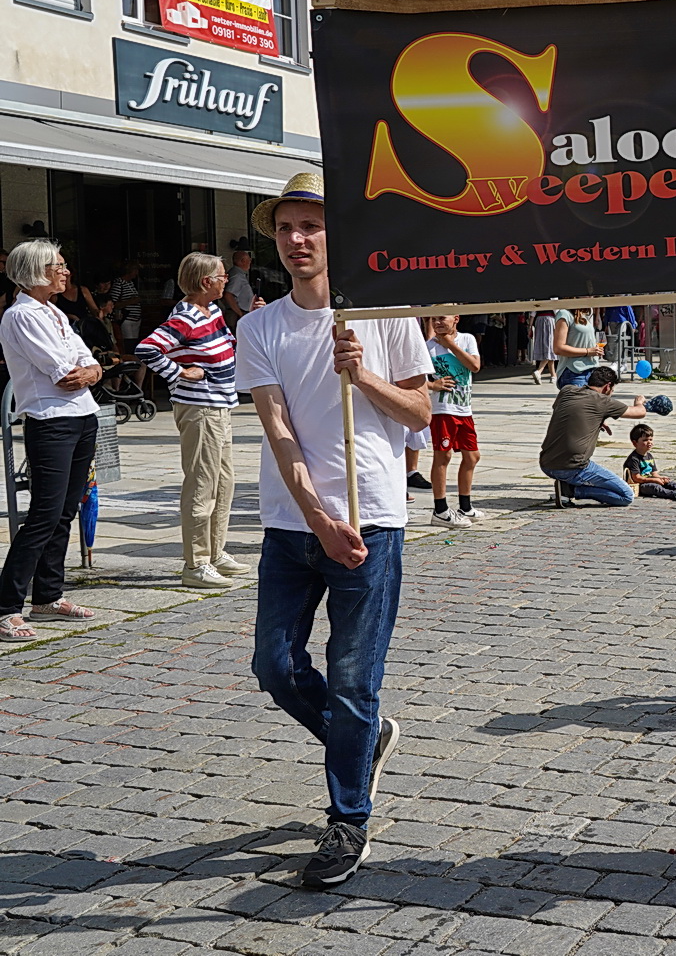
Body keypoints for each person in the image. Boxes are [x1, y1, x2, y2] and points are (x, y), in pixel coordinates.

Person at [235, 174, 432, 888]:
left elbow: (420, 413)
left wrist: (365, 377)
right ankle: (365, 740)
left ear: (336, 233)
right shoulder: (258, 327)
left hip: (373, 514)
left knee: (354, 676)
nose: (296, 240)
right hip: (295, 523)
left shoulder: (385, 313)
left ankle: (348, 816)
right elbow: (279, 430)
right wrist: (318, 517)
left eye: (310, 226)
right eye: (286, 228)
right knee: (275, 665)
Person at [0, 240, 103, 641]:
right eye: (57, 265)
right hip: (51, 419)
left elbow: (89, 361)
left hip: (81, 416)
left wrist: (91, 370)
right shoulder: (22, 315)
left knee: (65, 510)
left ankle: (48, 594)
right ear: (35, 271)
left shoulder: (54, 311)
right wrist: (87, 370)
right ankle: (8, 605)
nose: (65, 272)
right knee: (44, 512)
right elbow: (62, 370)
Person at [136, 252, 247, 588]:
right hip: (200, 409)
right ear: (205, 282)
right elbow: (147, 349)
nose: (226, 279)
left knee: (224, 481)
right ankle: (196, 564)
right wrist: (180, 373)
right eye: (221, 275)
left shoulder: (211, 310)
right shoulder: (185, 316)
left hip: (219, 406)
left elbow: (227, 345)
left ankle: (215, 552)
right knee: (202, 483)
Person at [539, 365, 647, 506]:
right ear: (608, 386)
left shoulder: (567, 391)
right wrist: (639, 403)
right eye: (612, 390)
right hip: (574, 467)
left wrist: (597, 419)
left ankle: (566, 487)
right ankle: (573, 490)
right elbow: (639, 412)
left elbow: (569, 411)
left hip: (547, 463)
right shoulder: (603, 401)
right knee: (626, 496)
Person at [424, 315, 484, 528]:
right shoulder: (427, 347)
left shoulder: (467, 339)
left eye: (442, 318)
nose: (437, 323)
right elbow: (416, 377)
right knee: (443, 455)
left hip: (464, 408)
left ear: (456, 319)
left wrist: (450, 345)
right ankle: (440, 509)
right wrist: (433, 385)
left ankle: (465, 505)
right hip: (443, 409)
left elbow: (475, 366)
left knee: (472, 456)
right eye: (434, 319)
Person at [552, 307, 605, 388]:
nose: (591, 297)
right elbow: (558, 348)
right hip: (574, 372)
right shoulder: (564, 314)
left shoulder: (584, 315)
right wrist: (588, 351)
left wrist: (594, 348)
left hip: (591, 371)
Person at [108, 261, 143, 348]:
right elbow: (114, 303)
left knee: (134, 342)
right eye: (135, 270)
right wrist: (131, 301)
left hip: (135, 319)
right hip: (126, 319)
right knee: (128, 343)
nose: (137, 273)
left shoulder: (131, 283)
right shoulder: (119, 283)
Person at [222, 248, 256, 324]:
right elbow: (228, 295)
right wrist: (240, 313)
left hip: (238, 313)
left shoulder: (238, 274)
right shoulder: (237, 275)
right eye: (249, 260)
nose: (250, 262)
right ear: (243, 261)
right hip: (236, 315)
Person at [529, 310, 558, 384]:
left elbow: (533, 313)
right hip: (549, 320)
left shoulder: (537, 298)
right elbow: (556, 311)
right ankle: (539, 371)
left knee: (546, 347)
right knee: (550, 346)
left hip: (539, 321)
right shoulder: (552, 298)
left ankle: (553, 376)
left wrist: (530, 327)